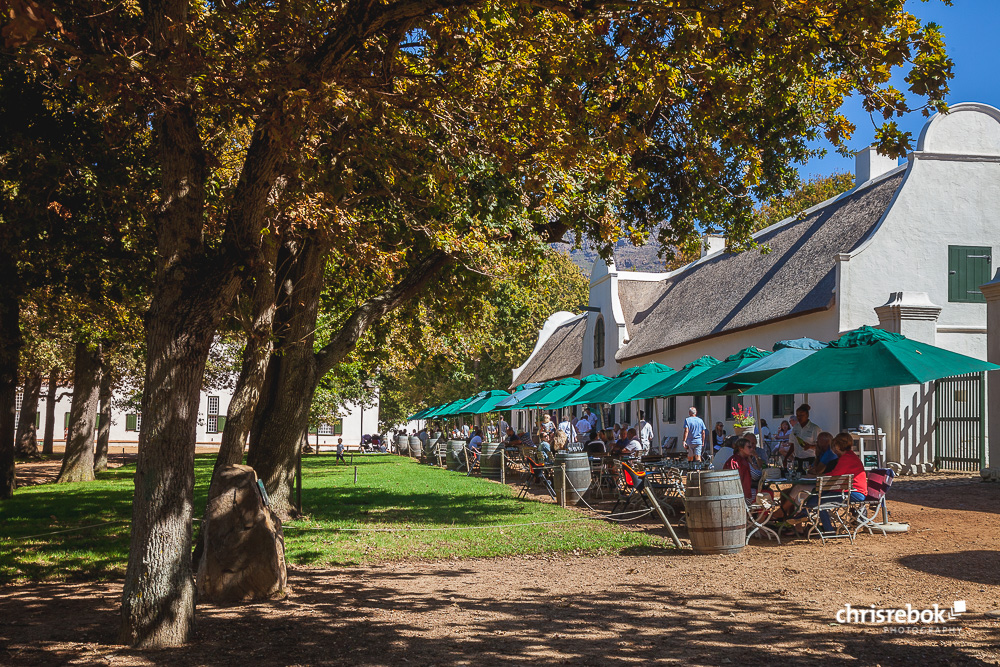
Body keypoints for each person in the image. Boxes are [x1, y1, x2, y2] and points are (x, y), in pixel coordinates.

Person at [805, 432, 867, 533]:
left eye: (833, 446)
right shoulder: (850, 456)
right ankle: (804, 516)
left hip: (853, 493)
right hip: (852, 491)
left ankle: (828, 530)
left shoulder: (845, 459)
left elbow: (834, 476)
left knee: (816, 501)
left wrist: (820, 476)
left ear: (837, 446)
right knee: (815, 497)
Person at [723, 437, 756, 503]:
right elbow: (756, 475)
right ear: (741, 448)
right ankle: (758, 513)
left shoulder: (735, 459)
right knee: (768, 493)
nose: (752, 449)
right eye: (749, 447)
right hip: (741, 495)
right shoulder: (740, 462)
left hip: (732, 493)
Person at [791, 404, 821, 472]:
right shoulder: (795, 427)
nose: (799, 418)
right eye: (798, 415)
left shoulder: (814, 428)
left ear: (807, 416)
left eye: (802, 415)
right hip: (797, 459)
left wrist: (810, 446)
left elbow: (820, 446)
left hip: (809, 459)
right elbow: (792, 443)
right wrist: (787, 457)